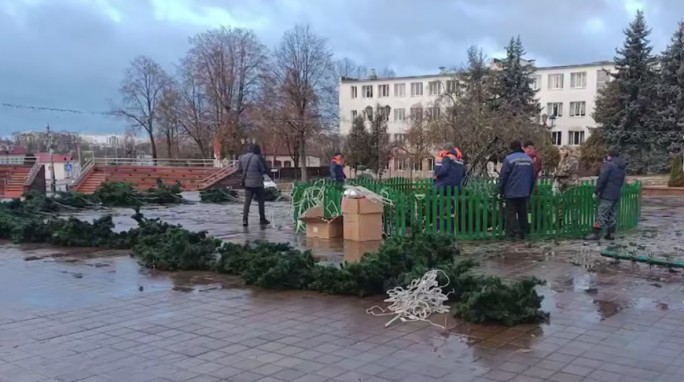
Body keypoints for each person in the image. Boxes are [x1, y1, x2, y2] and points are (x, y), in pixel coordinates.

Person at [585, 150, 627, 241]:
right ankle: (611, 234)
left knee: (601, 213)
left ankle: (595, 233)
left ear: (610, 156)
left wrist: (596, 191)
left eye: (607, 156)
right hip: (616, 194)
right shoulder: (621, 166)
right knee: (612, 214)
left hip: (607, 194)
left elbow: (602, 179)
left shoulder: (609, 165)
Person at [499, 140, 536, 240]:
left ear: (511, 148)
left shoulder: (509, 159)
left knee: (511, 213)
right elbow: (533, 177)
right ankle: (524, 233)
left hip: (511, 191)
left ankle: (514, 234)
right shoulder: (529, 160)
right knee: (523, 213)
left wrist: (500, 190)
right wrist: (530, 190)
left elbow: (503, 176)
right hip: (525, 192)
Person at [238, 144, 270, 227]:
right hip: (258, 183)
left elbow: (239, 169)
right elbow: (263, 170)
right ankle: (262, 219)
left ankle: (245, 220)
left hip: (247, 184)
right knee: (261, 202)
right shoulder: (257, 158)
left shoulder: (242, 158)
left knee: (247, 202)